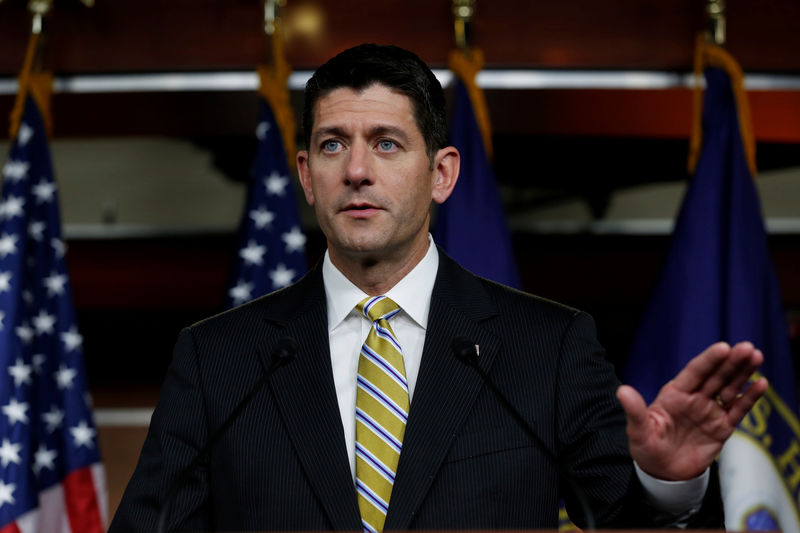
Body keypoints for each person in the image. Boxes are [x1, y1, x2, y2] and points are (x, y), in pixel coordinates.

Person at [109, 44, 766, 532]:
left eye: (387, 144)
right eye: (334, 145)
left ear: (443, 174)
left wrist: (666, 479)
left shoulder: (551, 346)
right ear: (306, 176)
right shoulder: (220, 358)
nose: (358, 170)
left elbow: (617, 519)